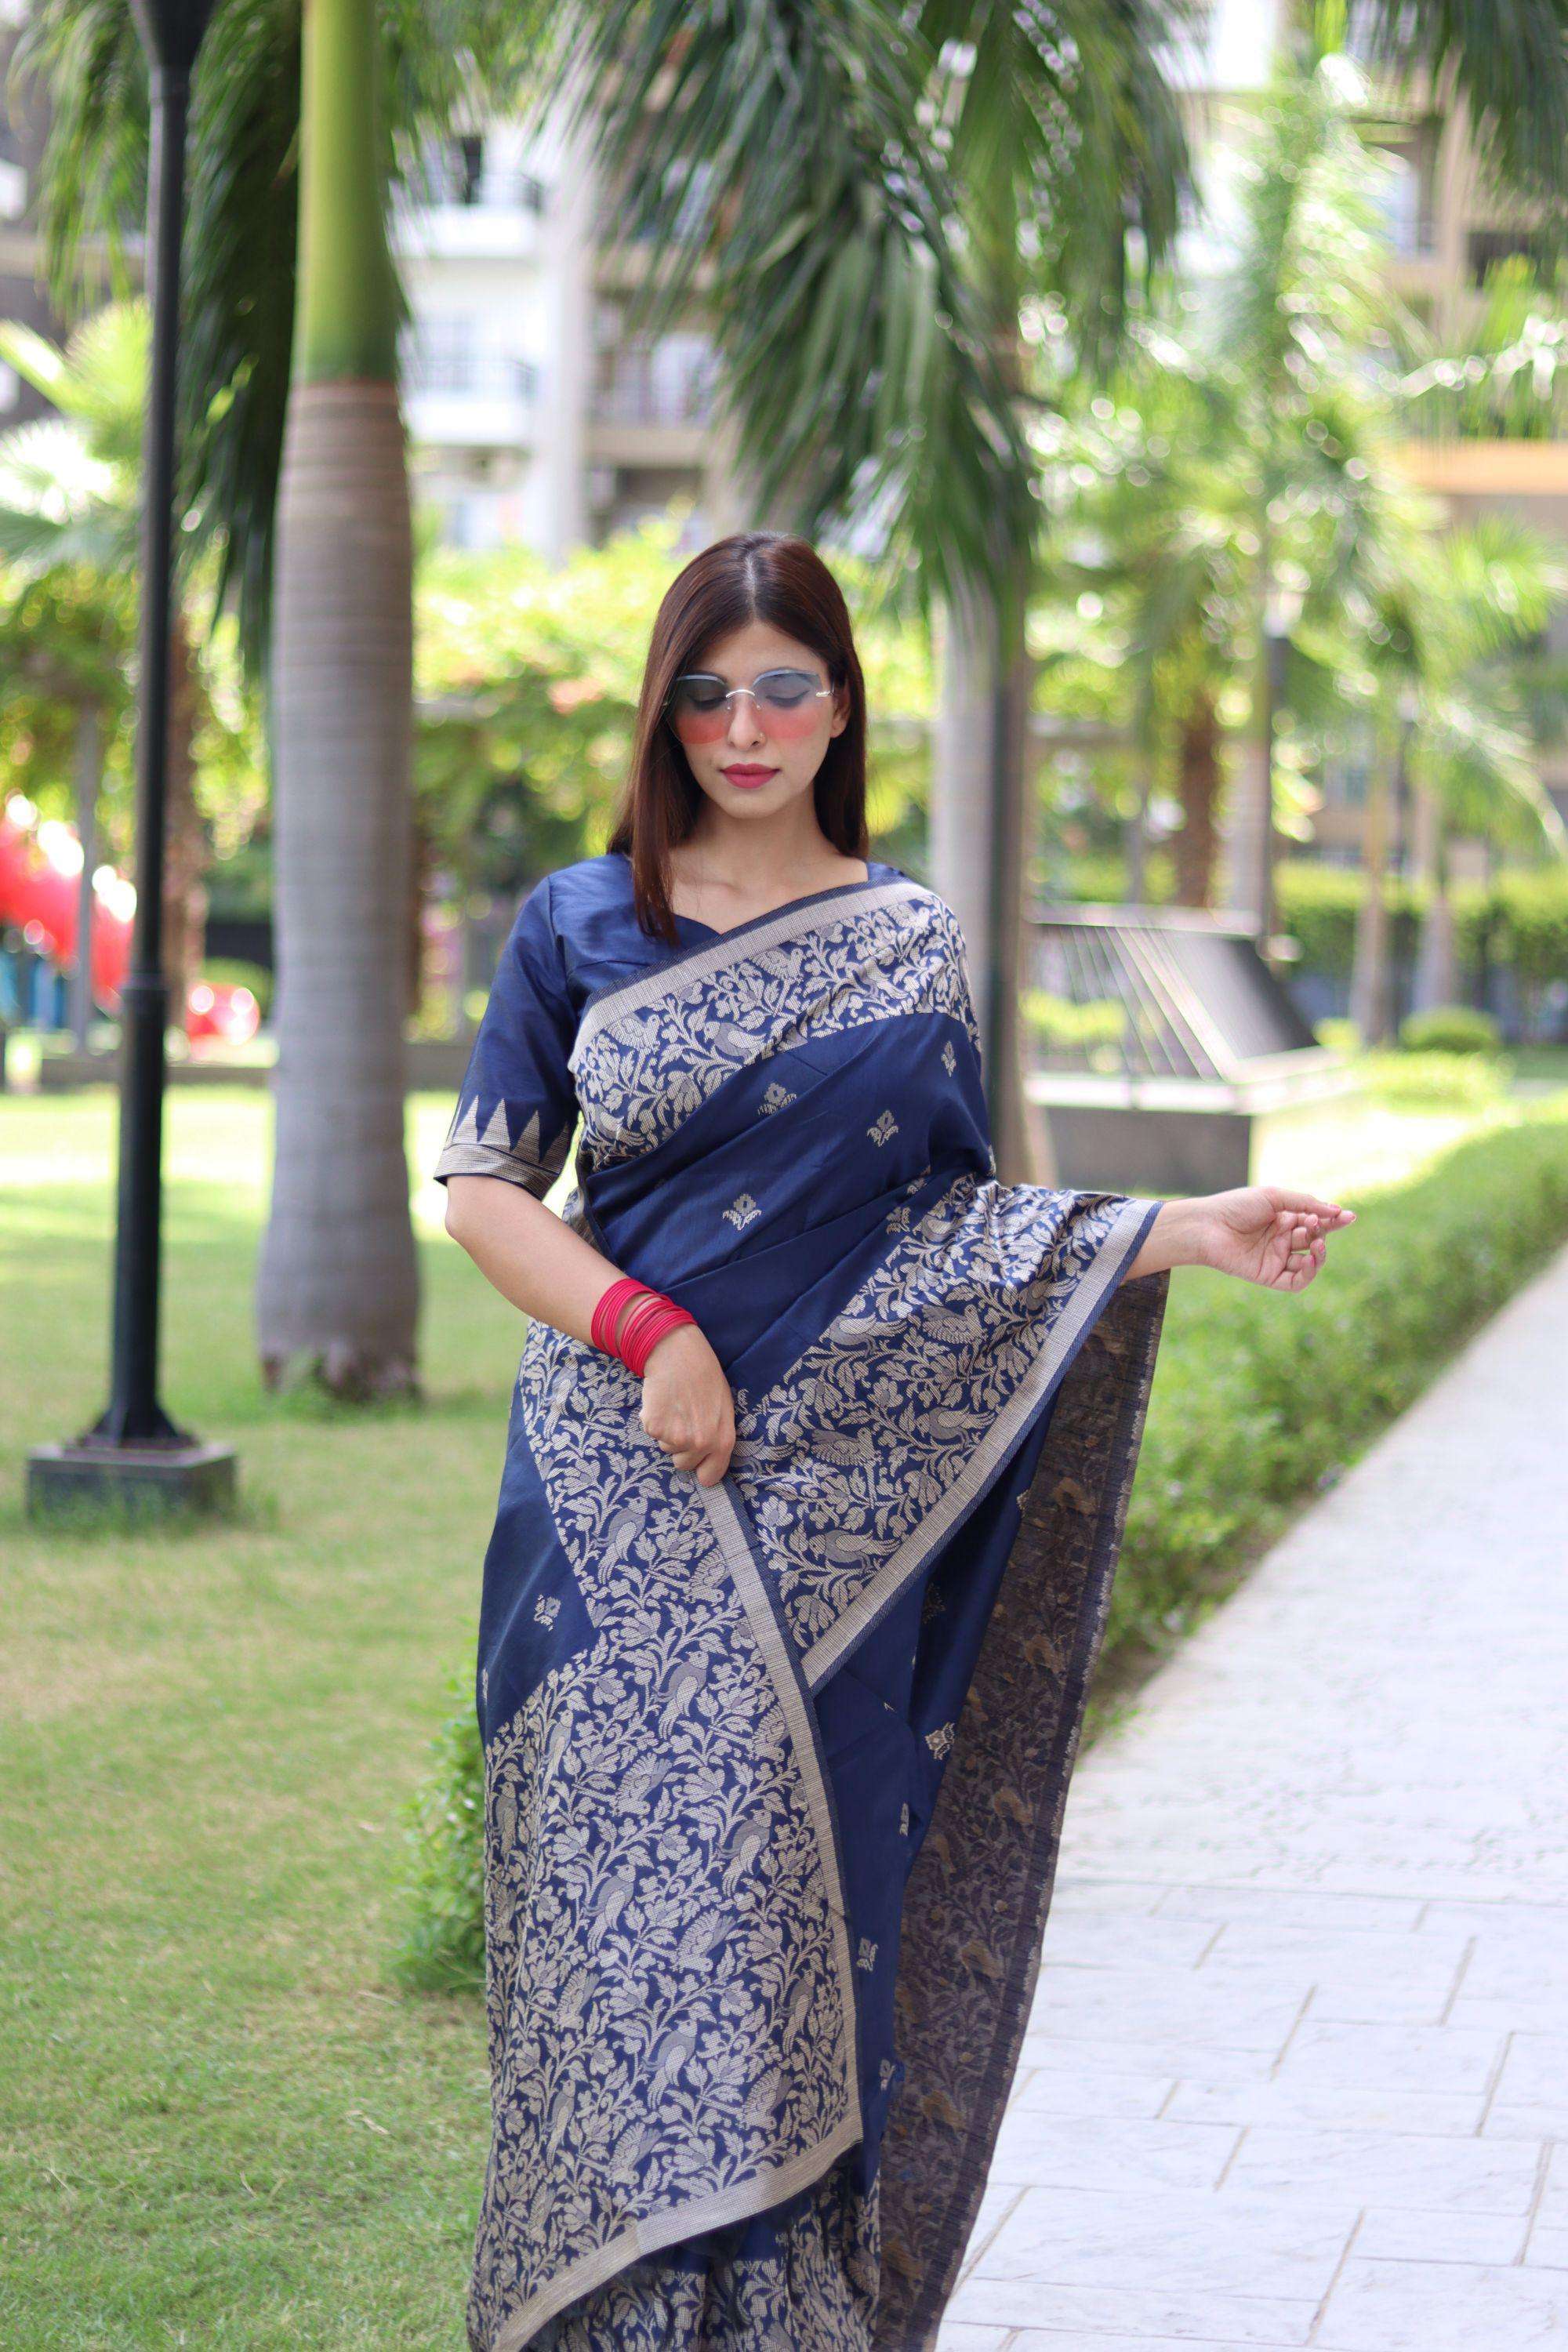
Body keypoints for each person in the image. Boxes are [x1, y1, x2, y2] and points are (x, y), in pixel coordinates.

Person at [435, 531, 1355, 2352]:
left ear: (841, 706)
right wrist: (651, 1333)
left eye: (782, 689)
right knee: (617, 1949)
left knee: (787, 1934)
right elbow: (482, 1191)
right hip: (613, 1506)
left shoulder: (907, 939)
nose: (744, 727)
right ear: (665, 711)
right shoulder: (577, 921)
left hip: (827, 1529)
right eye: (708, 693)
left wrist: (1181, 1229)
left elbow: (941, 1236)